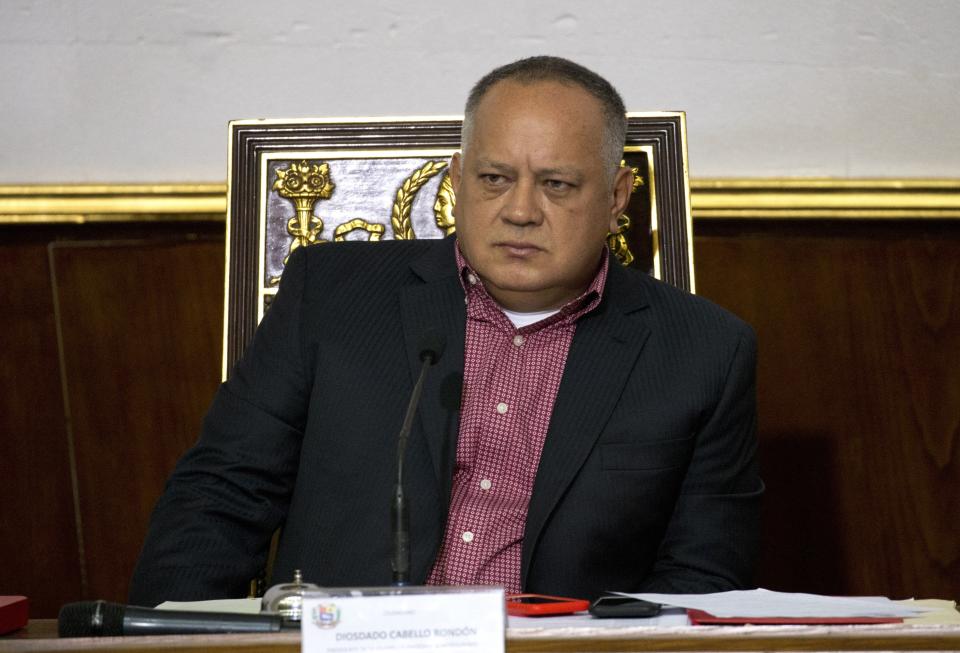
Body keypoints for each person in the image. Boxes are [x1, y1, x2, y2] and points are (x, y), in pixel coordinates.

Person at [129, 56, 762, 606]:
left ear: (618, 196)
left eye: (556, 184)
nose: (519, 210)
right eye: (493, 179)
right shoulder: (330, 296)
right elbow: (220, 494)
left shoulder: (703, 351)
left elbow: (702, 576)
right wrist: (176, 639)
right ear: (456, 180)